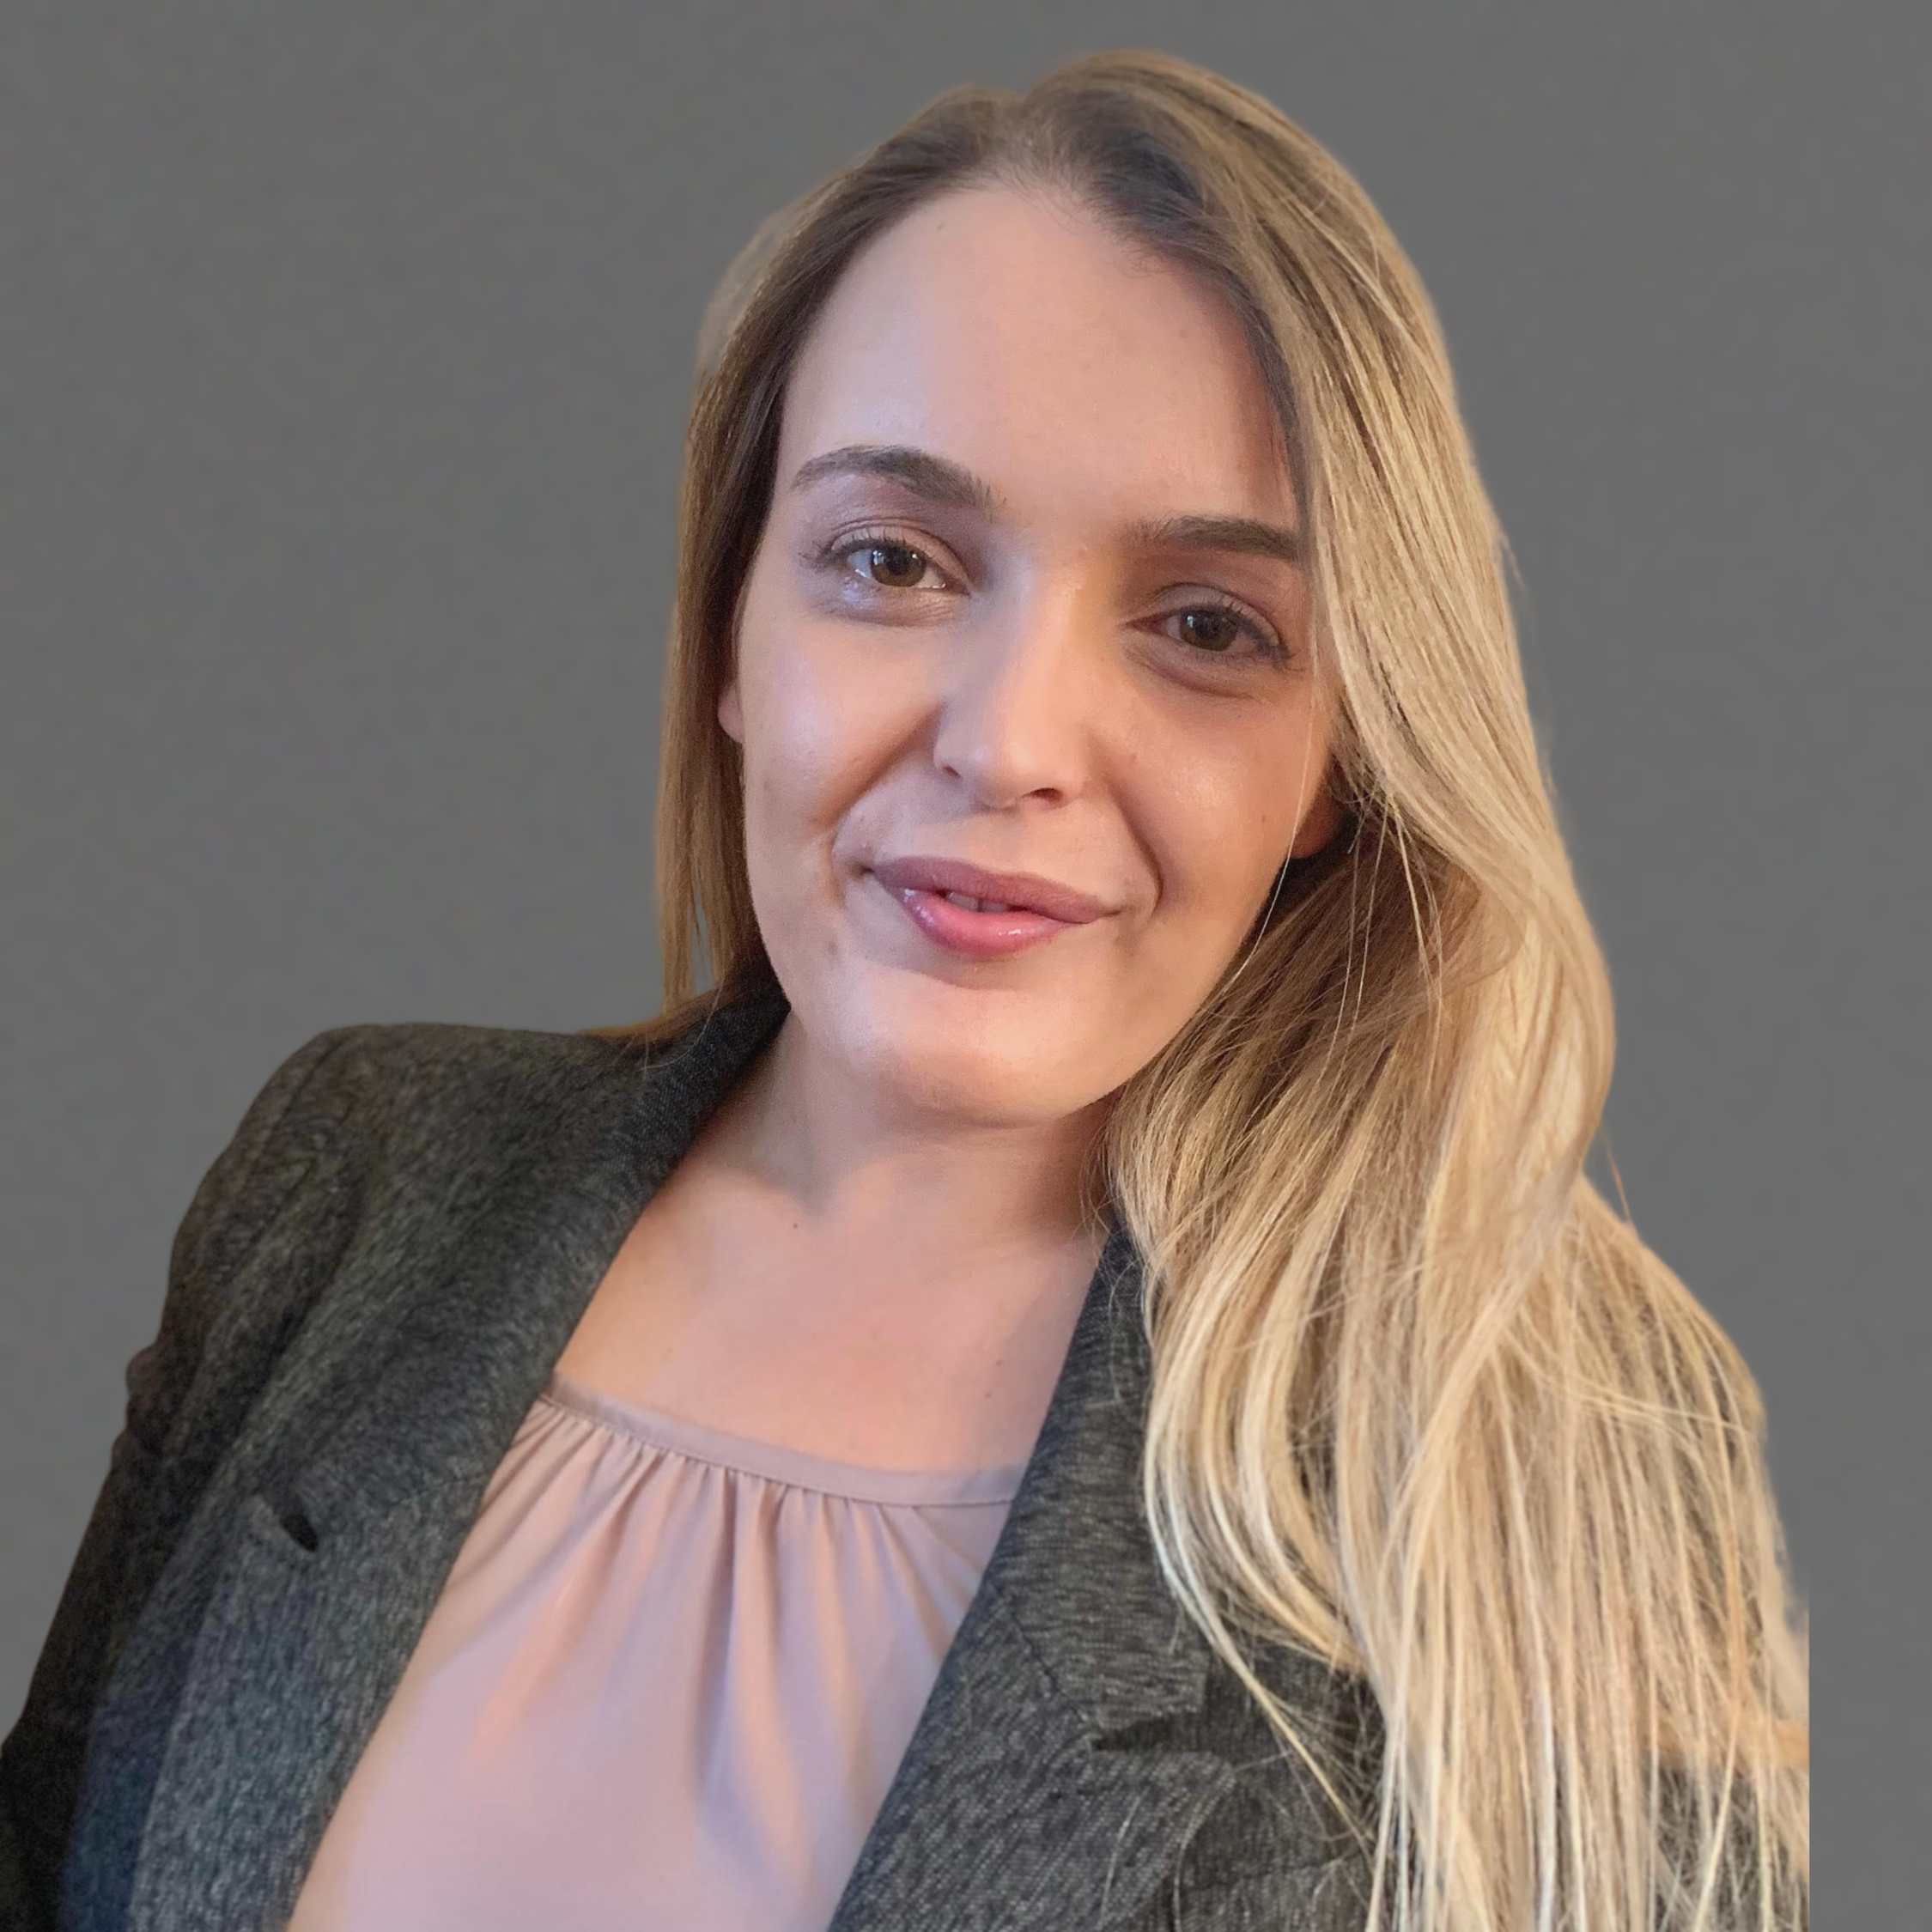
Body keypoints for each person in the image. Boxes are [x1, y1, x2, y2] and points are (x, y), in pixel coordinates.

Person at [0, 48, 1807, 1932]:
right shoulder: (358, 1181)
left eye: (1208, 626)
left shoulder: (1542, 1429)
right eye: (894, 562)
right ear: (730, 632)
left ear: (1341, 766)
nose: (1010, 741)